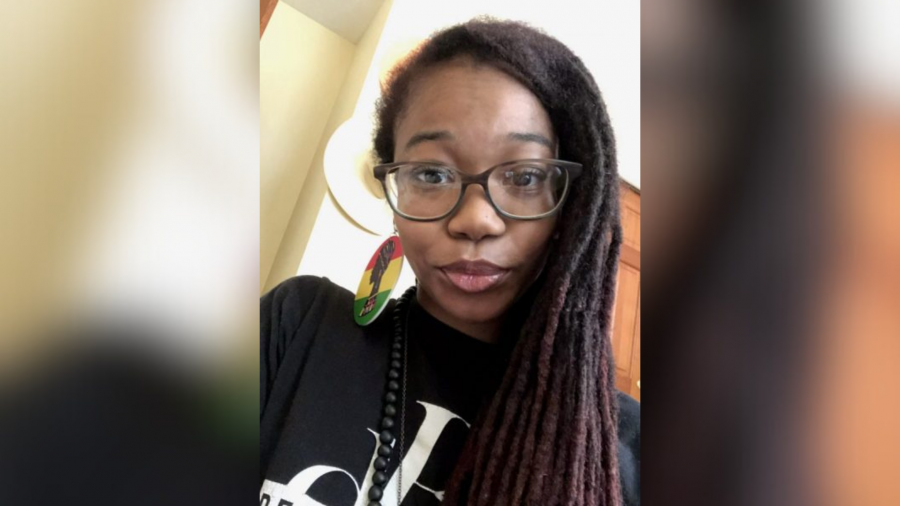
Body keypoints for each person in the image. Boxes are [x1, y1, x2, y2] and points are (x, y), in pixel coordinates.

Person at [260, 18, 639, 506]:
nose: (475, 219)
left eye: (524, 177)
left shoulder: (628, 451)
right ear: (394, 193)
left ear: (572, 208)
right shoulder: (298, 325)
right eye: (432, 174)